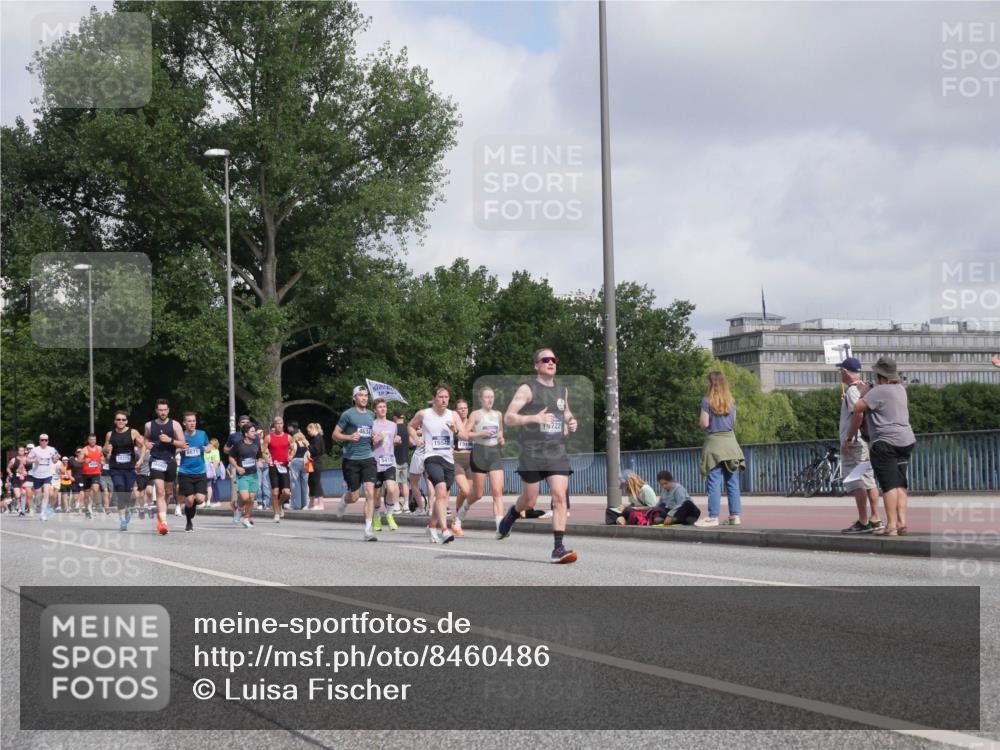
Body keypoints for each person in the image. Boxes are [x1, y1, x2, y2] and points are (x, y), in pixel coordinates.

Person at [497, 348, 578, 564]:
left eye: (554, 359)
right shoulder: (527, 389)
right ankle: (512, 514)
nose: (551, 362)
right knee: (530, 500)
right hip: (532, 451)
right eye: (546, 360)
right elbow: (509, 418)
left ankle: (558, 548)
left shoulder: (562, 390)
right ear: (536, 365)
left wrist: (571, 420)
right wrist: (535, 418)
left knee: (559, 496)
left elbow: (566, 413)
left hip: (556, 451)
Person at [842, 356, 916, 537]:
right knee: (900, 484)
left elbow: (858, 407)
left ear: (879, 374)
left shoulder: (879, 390)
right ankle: (902, 523)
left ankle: (890, 526)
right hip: (906, 440)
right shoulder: (900, 389)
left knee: (889, 486)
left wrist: (865, 390)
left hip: (885, 442)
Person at [409, 384, 467, 544]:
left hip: (448, 459)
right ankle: (444, 530)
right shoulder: (424, 414)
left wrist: (455, 430)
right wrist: (416, 438)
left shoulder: (453, 415)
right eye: (441, 397)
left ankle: (432, 526)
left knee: (442, 496)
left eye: (446, 397)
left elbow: (465, 436)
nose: (444, 400)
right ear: (434, 398)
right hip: (431, 457)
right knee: (440, 490)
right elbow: (410, 426)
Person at [835, 357, 883, 534]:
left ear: (846, 373)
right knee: (869, 480)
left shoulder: (852, 391)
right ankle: (876, 518)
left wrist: (848, 439)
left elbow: (858, 415)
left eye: (841, 371)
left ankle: (863, 521)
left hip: (854, 443)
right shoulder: (866, 388)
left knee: (856, 480)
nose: (840, 373)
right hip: (866, 442)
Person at [694, 371, 745, 528]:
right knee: (732, 481)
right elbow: (733, 423)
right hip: (731, 444)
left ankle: (713, 516)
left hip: (714, 444)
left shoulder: (706, 401)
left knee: (714, 482)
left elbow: (704, 423)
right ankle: (735, 516)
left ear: (711, 384)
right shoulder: (731, 401)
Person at [333, 385, 379, 541]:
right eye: (361, 395)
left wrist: (376, 438)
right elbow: (335, 435)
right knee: (354, 497)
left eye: (366, 395)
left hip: (368, 458)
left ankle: (368, 530)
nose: (364, 398)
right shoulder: (348, 415)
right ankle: (345, 500)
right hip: (351, 459)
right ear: (354, 398)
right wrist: (348, 437)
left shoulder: (372, 415)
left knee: (369, 492)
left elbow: (375, 434)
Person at [461, 386, 507, 531]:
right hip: (479, 453)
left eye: (492, 397)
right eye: (487, 397)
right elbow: (465, 434)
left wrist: (501, 439)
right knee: (478, 494)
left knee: (497, 491)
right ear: (481, 399)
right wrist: (481, 433)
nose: (490, 400)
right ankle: (463, 509)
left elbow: (500, 432)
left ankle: (500, 527)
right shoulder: (475, 415)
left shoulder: (498, 414)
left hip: (493, 453)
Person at [145, 399, 185, 535]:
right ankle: (163, 522)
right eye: (160, 410)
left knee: (168, 492)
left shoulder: (175, 425)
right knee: (160, 492)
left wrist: (170, 440)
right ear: (156, 411)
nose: (162, 412)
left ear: (168, 410)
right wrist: (147, 444)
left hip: (170, 461)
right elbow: (145, 439)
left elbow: (183, 444)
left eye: (165, 410)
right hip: (156, 460)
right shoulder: (149, 425)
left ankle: (162, 516)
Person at [104, 410, 145, 532]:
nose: (120, 421)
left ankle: (129, 509)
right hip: (115, 468)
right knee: (120, 489)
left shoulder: (133, 432)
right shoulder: (110, 434)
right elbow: (104, 450)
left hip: (129, 468)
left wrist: (141, 459)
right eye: (118, 419)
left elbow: (143, 446)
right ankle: (122, 520)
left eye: (123, 419)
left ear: (126, 421)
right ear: (115, 421)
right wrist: (107, 448)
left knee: (128, 493)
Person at [176, 412, 209, 532]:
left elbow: (208, 446)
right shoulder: (180, 436)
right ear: (184, 423)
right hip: (185, 472)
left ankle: (191, 508)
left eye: (194, 421)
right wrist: (179, 449)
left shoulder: (202, 434)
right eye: (189, 421)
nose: (192, 423)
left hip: (200, 472)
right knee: (189, 500)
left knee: (200, 499)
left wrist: (208, 449)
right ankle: (189, 522)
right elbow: (173, 450)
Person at [371, 398, 400, 532]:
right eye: (380, 407)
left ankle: (389, 515)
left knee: (392, 489)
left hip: (390, 461)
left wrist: (397, 440)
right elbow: (368, 443)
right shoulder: (372, 424)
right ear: (375, 410)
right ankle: (376, 517)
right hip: (375, 463)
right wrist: (376, 438)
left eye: (384, 406)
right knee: (376, 494)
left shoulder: (393, 425)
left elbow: (392, 441)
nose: (383, 409)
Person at [229, 422, 264, 528]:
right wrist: (237, 467)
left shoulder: (256, 444)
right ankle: (239, 509)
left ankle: (246, 518)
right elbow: (230, 457)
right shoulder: (238, 445)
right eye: (252, 431)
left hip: (253, 475)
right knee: (245, 497)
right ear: (246, 433)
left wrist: (259, 461)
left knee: (252, 498)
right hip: (243, 475)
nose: (255, 434)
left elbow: (259, 456)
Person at [263, 415, 296, 522]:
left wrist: (291, 455)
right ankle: (276, 513)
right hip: (273, 467)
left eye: (281, 423)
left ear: (283, 425)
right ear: (274, 425)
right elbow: (262, 450)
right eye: (277, 424)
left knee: (286, 492)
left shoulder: (288, 437)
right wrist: (267, 458)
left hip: (284, 466)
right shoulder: (268, 437)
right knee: (275, 492)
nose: (279, 426)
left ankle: (279, 504)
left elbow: (294, 447)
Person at [27, 434, 61, 520]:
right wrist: (35, 460)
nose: (44, 442)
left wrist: (55, 458)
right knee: (38, 495)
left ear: (48, 441)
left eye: (45, 440)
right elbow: (27, 460)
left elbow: (55, 460)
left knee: (46, 493)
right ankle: (37, 505)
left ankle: (43, 513)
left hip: (48, 474)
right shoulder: (35, 450)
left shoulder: (52, 449)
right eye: (42, 440)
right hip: (37, 475)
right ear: (39, 441)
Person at [390, 411, 411, 514]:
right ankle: (406, 506)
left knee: (395, 484)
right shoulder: (407, 428)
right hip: (405, 459)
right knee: (404, 484)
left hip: (395, 460)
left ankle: (397, 506)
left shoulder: (393, 428)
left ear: (394, 417)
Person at [80, 434, 104, 519]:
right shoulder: (84, 449)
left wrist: (102, 461)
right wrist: (84, 460)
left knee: (95, 489)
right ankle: (87, 509)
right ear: (88, 440)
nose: (93, 441)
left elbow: (101, 456)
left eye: (94, 439)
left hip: (96, 472)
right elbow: (79, 460)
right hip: (86, 474)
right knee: (86, 494)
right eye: (91, 439)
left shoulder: (99, 448)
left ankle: (92, 505)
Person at [306, 423, 327, 509]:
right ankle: (311, 503)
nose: (308, 433)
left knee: (316, 482)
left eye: (309, 431)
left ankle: (321, 503)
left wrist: (308, 445)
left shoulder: (318, 438)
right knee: (311, 482)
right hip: (313, 462)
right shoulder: (315, 438)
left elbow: (317, 451)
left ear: (313, 429)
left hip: (316, 462)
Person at [289, 430, 311, 511]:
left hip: (296, 462)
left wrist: (289, 458)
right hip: (305, 462)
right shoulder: (306, 443)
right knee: (305, 483)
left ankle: (296, 504)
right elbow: (309, 453)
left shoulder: (295, 443)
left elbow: (293, 452)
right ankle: (305, 504)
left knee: (295, 483)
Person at [7, 447, 29, 516]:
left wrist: (27, 472)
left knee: (24, 493)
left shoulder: (27, 459)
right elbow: (8, 468)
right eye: (19, 450)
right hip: (15, 479)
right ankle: (20, 508)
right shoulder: (13, 460)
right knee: (17, 495)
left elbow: (31, 468)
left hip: (25, 479)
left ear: (24, 451)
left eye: (22, 450)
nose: (21, 452)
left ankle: (22, 510)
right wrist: (10, 473)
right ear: (18, 451)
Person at [204, 438, 223, 506]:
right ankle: (206, 501)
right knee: (207, 486)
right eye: (209, 443)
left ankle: (217, 501)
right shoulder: (207, 451)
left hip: (214, 471)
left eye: (211, 443)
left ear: (214, 445)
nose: (209, 444)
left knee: (214, 486)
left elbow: (216, 461)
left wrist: (213, 472)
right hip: (207, 470)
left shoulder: (215, 451)